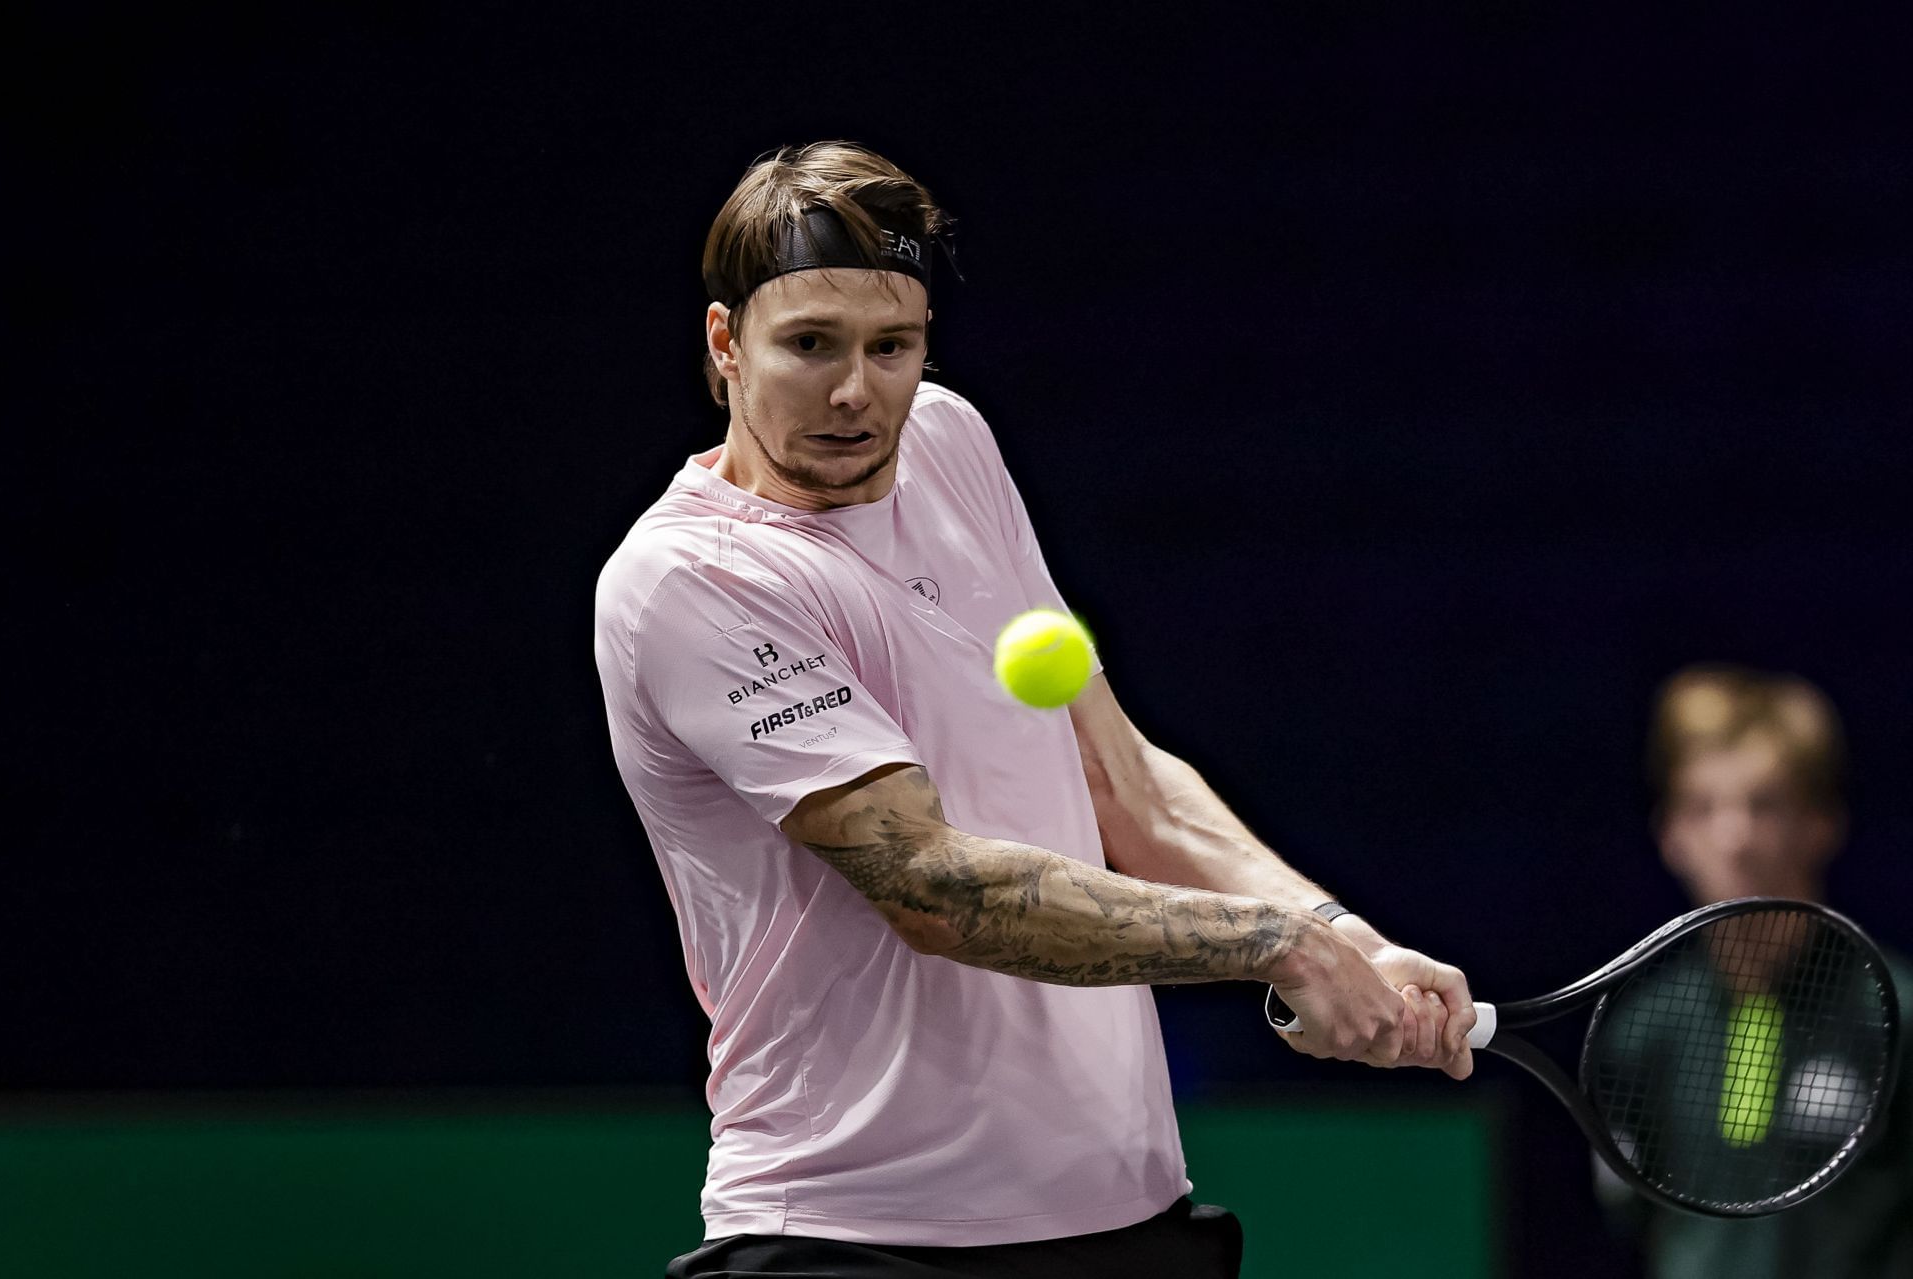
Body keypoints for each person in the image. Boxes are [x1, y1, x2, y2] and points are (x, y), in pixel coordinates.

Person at [594, 141, 1478, 1278]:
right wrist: (1274, 944)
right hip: (854, 1234)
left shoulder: (950, 443)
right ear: (724, 344)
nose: (858, 392)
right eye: (809, 343)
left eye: (891, 345)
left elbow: (1122, 781)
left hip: (1126, 1220)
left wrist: (1341, 934)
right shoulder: (690, 579)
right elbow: (931, 886)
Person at [1598, 664, 1913, 1278]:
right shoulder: (1640, 1031)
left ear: (1821, 824)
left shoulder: (1898, 1014)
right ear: (1670, 833)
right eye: (1702, 806)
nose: (1734, 837)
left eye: (1764, 805)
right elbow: (1635, 1218)